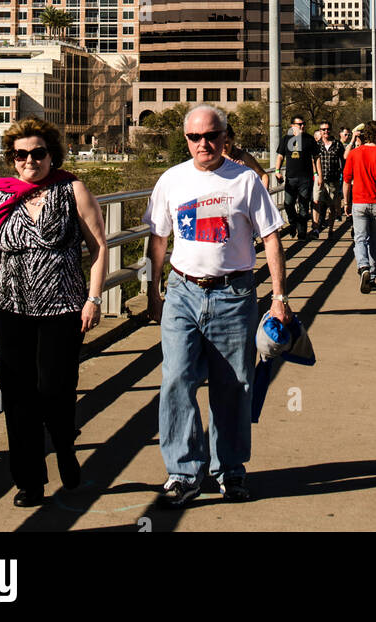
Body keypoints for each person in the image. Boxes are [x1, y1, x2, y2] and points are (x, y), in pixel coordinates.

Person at [146, 106, 291, 507]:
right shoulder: (171, 180)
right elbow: (159, 239)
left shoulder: (245, 180)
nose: (203, 144)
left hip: (234, 295)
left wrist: (279, 297)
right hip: (182, 292)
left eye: (211, 136)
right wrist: (153, 291)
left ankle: (229, 470)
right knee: (176, 379)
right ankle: (183, 471)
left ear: (225, 137)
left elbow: (271, 239)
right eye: (194, 137)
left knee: (234, 386)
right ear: (186, 138)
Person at [0, 118, 108, 508]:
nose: (29, 160)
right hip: (11, 308)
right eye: (21, 154)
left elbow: (98, 247)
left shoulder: (72, 190)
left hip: (63, 307)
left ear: (51, 155)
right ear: (12, 158)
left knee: (55, 389)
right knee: (17, 397)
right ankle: (29, 480)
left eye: (37, 153)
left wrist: (93, 298)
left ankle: (64, 446)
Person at [342, 120, 376, 293]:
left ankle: (363, 266)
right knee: (374, 241)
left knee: (359, 239)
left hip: (358, 202)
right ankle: (372, 277)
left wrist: (345, 202)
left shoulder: (354, 154)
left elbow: (347, 181)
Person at [274, 114, 319, 240]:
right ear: (292, 126)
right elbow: (280, 156)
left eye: (303, 123)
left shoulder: (309, 139)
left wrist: (318, 175)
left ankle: (302, 232)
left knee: (304, 205)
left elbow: (316, 158)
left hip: (306, 178)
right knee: (288, 203)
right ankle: (293, 222)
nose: (302, 126)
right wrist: (277, 171)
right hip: (291, 178)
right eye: (299, 124)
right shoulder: (286, 139)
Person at [313, 121, 344, 234]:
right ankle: (315, 228)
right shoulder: (316, 145)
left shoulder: (337, 144)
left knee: (332, 205)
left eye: (327, 129)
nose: (326, 131)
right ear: (320, 131)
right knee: (316, 202)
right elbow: (312, 160)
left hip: (333, 179)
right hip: (319, 180)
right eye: (323, 129)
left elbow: (343, 159)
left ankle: (330, 229)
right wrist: (316, 174)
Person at [223, 123, 270, 189]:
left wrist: (264, 196)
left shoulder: (243, 156)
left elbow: (264, 176)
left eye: (226, 142)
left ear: (232, 139)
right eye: (220, 142)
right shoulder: (213, 159)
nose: (223, 146)